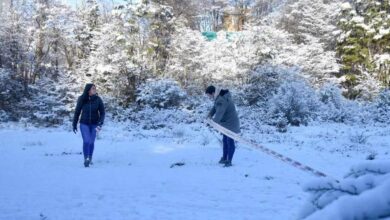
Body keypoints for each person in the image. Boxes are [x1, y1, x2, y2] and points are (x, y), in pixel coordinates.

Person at [205, 85, 240, 167]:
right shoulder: (219, 97)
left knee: (230, 141)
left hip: (231, 124)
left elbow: (219, 113)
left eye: (209, 95)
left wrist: (212, 123)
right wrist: (209, 116)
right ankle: (224, 158)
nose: (208, 97)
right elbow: (214, 108)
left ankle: (229, 160)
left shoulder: (222, 99)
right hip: (225, 123)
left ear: (213, 93)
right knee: (225, 140)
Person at [73, 83, 105, 167]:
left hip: (95, 124)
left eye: (95, 88)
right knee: (86, 141)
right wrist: (74, 124)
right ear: (88, 90)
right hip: (84, 123)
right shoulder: (82, 99)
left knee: (91, 141)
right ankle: (86, 158)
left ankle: (90, 158)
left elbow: (102, 112)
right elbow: (77, 112)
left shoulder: (98, 99)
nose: (95, 90)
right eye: (93, 88)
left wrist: (100, 123)